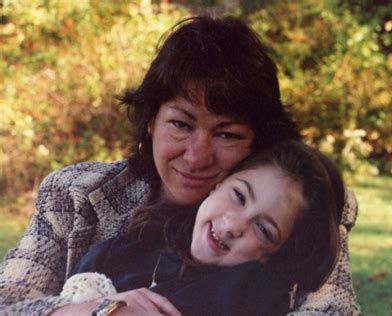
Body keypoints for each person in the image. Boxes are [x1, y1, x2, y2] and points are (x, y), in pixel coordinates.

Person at [0, 16, 359, 315]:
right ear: (151, 120)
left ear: (258, 143)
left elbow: (331, 311)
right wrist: (99, 311)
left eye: (227, 135)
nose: (197, 155)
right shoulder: (76, 194)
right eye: (181, 124)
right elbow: (7, 300)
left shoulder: (305, 205)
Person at [55, 140, 344, 316]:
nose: (233, 225)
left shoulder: (246, 294)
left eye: (264, 230)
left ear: (274, 254)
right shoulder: (127, 247)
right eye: (239, 196)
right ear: (218, 183)